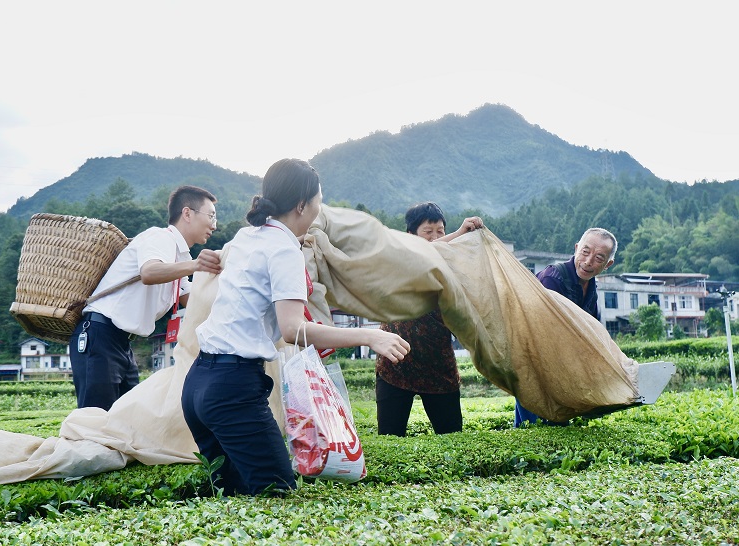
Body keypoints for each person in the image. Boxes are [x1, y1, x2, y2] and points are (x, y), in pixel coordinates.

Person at [181, 158, 411, 496]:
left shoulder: (249, 236)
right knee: (278, 494)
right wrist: (369, 335)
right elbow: (293, 330)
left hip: (199, 384)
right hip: (233, 389)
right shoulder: (283, 249)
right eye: (319, 199)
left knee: (233, 499)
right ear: (302, 204)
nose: (321, 206)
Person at [69, 186, 222, 411]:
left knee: (125, 420)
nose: (214, 225)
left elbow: (195, 302)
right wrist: (196, 265)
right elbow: (149, 272)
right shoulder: (159, 237)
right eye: (211, 215)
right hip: (100, 335)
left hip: (121, 343)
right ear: (187, 213)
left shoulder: (180, 256)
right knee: (96, 420)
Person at [376, 202, 484, 436]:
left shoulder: (452, 265)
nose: (435, 238)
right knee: (390, 436)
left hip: (438, 364)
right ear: (410, 235)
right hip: (395, 363)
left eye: (440, 231)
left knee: (451, 435)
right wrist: (458, 234)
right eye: (428, 232)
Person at [513, 227, 618, 427]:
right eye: (585, 252)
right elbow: (543, 334)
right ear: (577, 248)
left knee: (556, 432)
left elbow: (593, 332)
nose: (588, 262)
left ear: (608, 264)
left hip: (561, 373)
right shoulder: (552, 278)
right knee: (532, 434)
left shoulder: (591, 287)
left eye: (598, 257)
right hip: (535, 369)